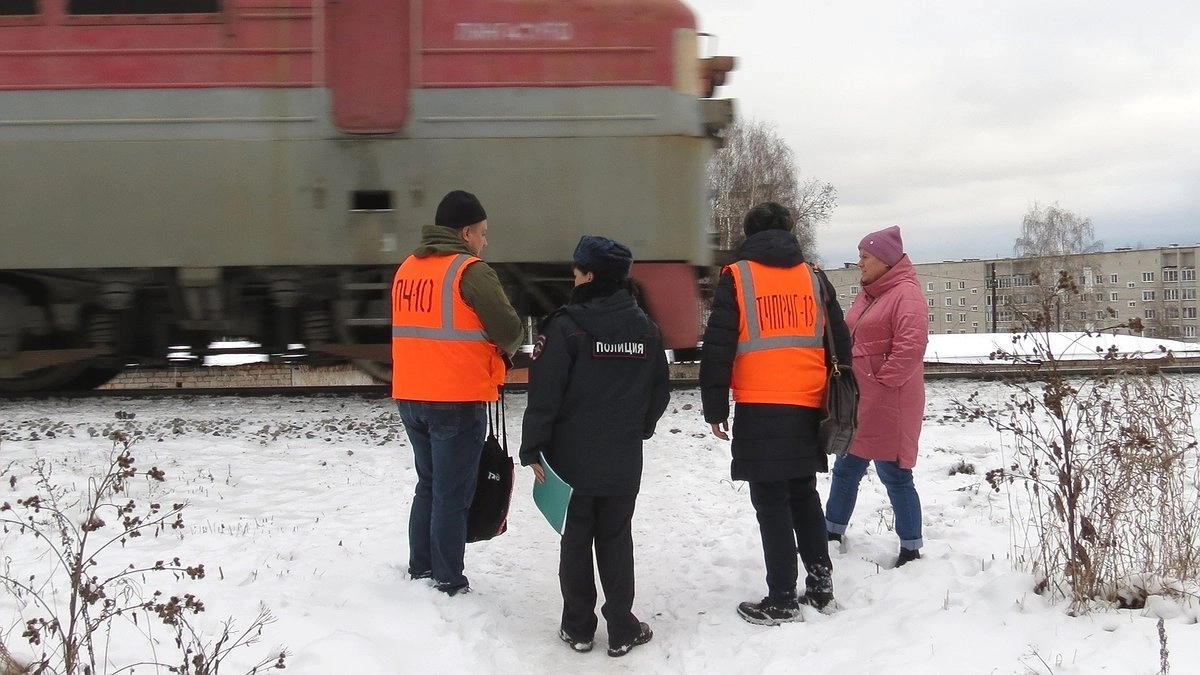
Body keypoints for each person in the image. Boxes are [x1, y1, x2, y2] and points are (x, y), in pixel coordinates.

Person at [699, 202, 851, 626]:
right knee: (803, 492)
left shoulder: (738, 275)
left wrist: (714, 405)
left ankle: (782, 597)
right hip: (809, 402)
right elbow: (839, 339)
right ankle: (821, 588)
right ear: (788, 231)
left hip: (760, 403)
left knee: (770, 500)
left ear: (749, 235)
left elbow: (719, 344)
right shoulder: (815, 276)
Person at [519, 235, 670, 657]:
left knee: (576, 538)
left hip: (571, 460)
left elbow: (544, 396)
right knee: (616, 538)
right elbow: (660, 390)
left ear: (587, 275)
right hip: (622, 459)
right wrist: (640, 429)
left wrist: (532, 448)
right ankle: (622, 627)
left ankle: (579, 627)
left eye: (576, 268)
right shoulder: (646, 327)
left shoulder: (565, 327)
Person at [391, 189, 523, 596]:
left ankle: (421, 567)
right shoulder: (469, 270)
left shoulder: (407, 269)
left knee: (428, 484)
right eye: (483, 233)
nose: (485, 241)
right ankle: (448, 579)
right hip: (455, 398)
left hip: (410, 396)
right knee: (452, 493)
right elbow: (509, 329)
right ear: (466, 233)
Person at [824, 225, 928, 568]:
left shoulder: (906, 295)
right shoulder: (871, 293)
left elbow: (909, 349)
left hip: (889, 404)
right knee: (846, 468)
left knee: (895, 475)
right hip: (862, 401)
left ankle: (911, 548)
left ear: (884, 260)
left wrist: (879, 383)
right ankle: (831, 532)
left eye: (865, 257)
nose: (860, 263)